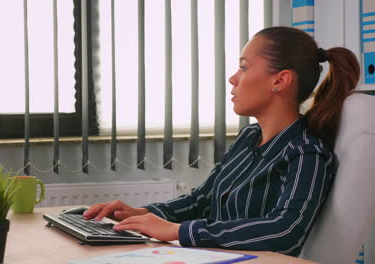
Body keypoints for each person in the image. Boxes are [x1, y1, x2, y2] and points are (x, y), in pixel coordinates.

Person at [83, 26, 360, 256]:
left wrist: (179, 231)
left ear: (280, 80)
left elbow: (285, 230)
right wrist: (140, 214)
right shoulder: (249, 137)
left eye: (243, 67)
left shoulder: (305, 152)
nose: (233, 78)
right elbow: (202, 200)